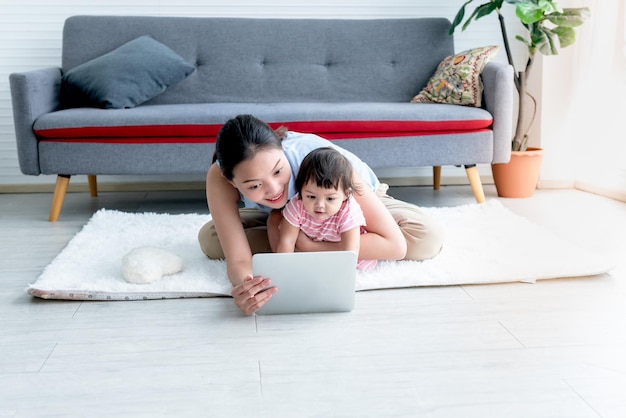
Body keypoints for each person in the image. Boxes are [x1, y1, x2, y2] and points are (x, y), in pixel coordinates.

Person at [198, 114, 444, 315]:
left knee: (425, 238)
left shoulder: (318, 158)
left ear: (282, 150)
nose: (274, 190)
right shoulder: (218, 177)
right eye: (254, 186)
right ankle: (290, 238)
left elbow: (395, 246)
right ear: (229, 180)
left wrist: (308, 245)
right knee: (211, 238)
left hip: (347, 207)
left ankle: (298, 244)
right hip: (290, 218)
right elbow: (239, 261)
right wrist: (248, 288)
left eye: (278, 171)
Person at [276, 146, 376, 271]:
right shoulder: (297, 204)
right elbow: (287, 241)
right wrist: (284, 270)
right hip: (317, 255)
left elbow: (351, 250)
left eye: (330, 199)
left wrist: (342, 274)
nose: (320, 205)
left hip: (349, 260)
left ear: (346, 194)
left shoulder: (348, 211)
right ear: (300, 190)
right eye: (311, 196)